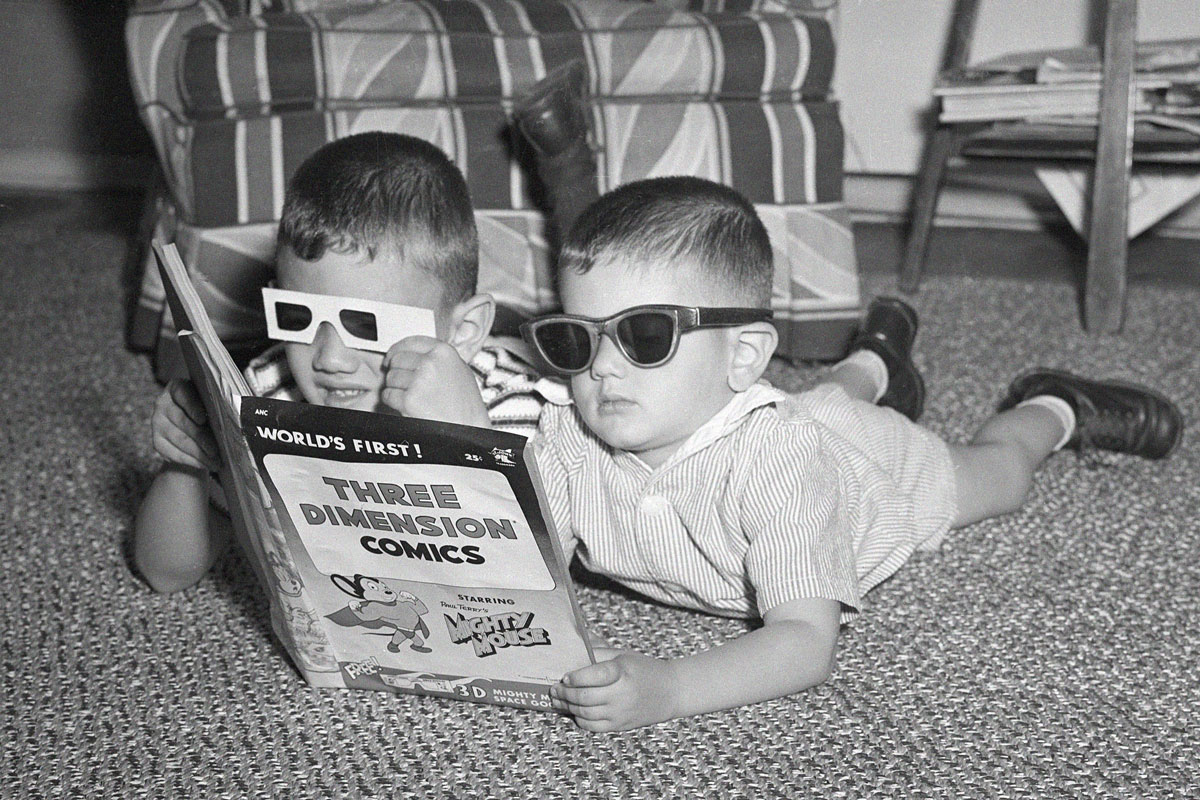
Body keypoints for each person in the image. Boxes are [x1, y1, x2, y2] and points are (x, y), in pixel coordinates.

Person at [521, 175, 1184, 732]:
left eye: (642, 334)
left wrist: (669, 688)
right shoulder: (564, 433)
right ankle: (873, 362)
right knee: (823, 400)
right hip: (801, 410)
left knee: (1001, 477)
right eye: (578, 340)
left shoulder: (784, 461)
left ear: (745, 354)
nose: (601, 369)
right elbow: (519, 562)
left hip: (868, 466)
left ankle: (1053, 405)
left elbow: (807, 643)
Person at [134, 131, 562, 594]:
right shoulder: (269, 392)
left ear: (462, 332)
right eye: (297, 316)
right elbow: (166, 573)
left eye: (367, 325)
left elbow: (539, 585)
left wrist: (469, 440)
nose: (330, 358)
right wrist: (186, 464)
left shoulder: (515, 407)